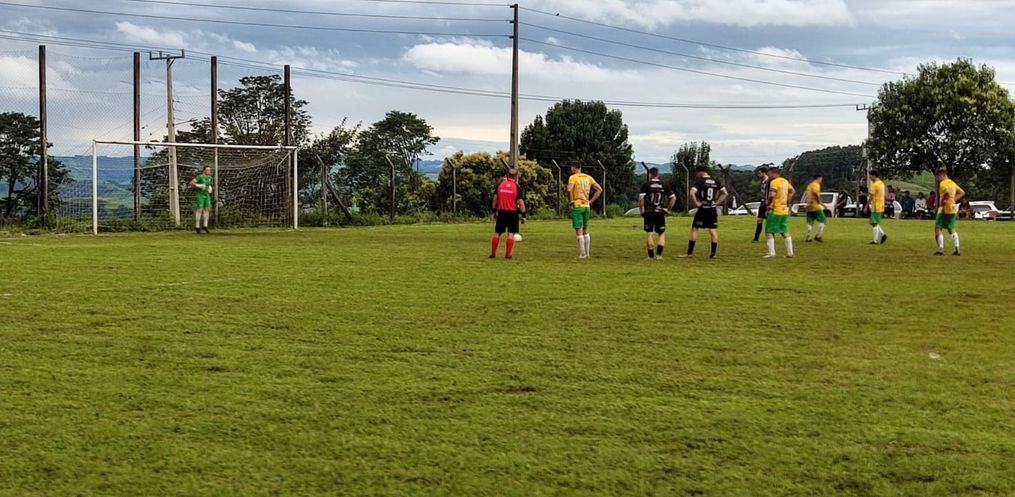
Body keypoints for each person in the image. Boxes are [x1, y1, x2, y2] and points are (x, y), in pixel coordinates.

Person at [682, 166, 727, 258]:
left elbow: (691, 193)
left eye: (697, 173)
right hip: (712, 208)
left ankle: (689, 253)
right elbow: (725, 193)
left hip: (703, 208)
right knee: (712, 230)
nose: (697, 175)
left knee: (695, 228)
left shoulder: (700, 181)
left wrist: (696, 203)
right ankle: (713, 253)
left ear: (701, 172)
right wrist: (717, 203)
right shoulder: (715, 181)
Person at [638, 167, 677, 260]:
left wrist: (642, 210)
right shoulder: (664, 185)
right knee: (661, 233)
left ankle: (650, 256)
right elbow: (673, 198)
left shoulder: (646, 184)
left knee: (649, 233)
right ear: (658, 174)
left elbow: (641, 198)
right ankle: (659, 255)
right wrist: (668, 209)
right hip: (659, 211)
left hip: (649, 211)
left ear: (650, 174)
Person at [566, 162, 603, 259]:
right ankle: (587, 254)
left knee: (579, 229)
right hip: (586, 205)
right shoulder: (588, 177)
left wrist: (571, 201)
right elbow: (599, 189)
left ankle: (582, 254)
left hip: (577, 205)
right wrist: (591, 201)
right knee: (585, 229)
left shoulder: (573, 177)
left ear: (573, 168)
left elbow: (569, 189)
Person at [489, 168, 526, 260]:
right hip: (512, 213)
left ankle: (493, 253)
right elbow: (520, 202)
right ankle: (508, 254)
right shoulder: (516, 187)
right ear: (516, 176)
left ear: (507, 175)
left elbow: (495, 199)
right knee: (511, 233)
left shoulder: (500, 185)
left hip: (501, 212)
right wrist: (523, 215)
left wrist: (494, 211)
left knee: (497, 233)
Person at [763, 166, 795, 259]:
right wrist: (787, 200)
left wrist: (768, 204)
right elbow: (792, 191)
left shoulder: (774, 182)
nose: (769, 176)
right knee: (784, 231)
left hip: (775, 210)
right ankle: (790, 253)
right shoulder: (785, 181)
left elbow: (772, 195)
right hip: (784, 210)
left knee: (769, 231)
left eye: (769, 174)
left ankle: (771, 253)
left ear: (773, 173)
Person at [934, 169, 965, 256]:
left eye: (938, 177)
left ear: (942, 175)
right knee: (951, 229)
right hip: (952, 208)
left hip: (944, 208)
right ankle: (957, 249)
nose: (937, 179)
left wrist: (943, 201)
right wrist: (953, 200)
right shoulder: (952, 183)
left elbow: (947, 192)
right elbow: (962, 192)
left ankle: (941, 249)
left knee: (938, 228)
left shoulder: (943, 183)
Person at [190, 164, 213, 234]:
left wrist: (210, 188)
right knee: (200, 209)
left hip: (207, 195)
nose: (209, 171)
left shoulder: (210, 178)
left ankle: (205, 226)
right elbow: (192, 183)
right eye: (207, 170)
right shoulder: (200, 177)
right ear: (204, 171)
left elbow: (208, 185)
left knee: (207, 209)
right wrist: (199, 185)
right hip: (200, 195)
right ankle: (197, 226)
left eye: (209, 170)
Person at [803, 175, 827, 243]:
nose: (821, 181)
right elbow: (816, 193)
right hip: (815, 206)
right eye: (821, 179)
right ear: (818, 178)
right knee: (823, 220)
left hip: (809, 206)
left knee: (810, 222)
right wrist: (821, 203)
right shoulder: (816, 185)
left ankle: (808, 237)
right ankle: (818, 236)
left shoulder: (809, 185)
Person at [868, 171, 888, 245]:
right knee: (874, 222)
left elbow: (871, 196)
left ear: (874, 176)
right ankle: (883, 235)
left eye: (870, 176)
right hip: (881, 205)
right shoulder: (881, 183)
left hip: (876, 205)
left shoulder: (875, 185)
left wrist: (867, 205)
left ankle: (875, 240)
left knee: (874, 223)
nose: (870, 178)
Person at [752, 166, 771, 243]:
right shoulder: (763, 182)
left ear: (764, 173)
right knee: (759, 220)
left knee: (769, 221)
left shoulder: (769, 182)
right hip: (762, 203)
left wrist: (769, 203)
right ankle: (756, 238)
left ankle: (770, 237)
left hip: (767, 203)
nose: (758, 175)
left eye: (759, 173)